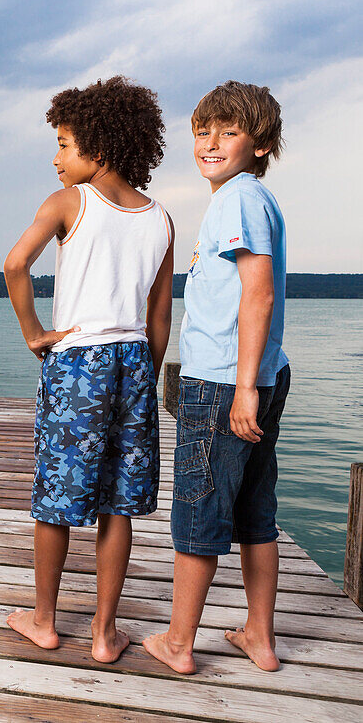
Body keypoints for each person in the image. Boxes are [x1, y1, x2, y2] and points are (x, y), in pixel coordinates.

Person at [3, 76, 174, 664]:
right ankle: (104, 634)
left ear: (97, 149)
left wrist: (34, 335)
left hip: (77, 360)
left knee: (57, 494)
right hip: (133, 362)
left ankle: (45, 621)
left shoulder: (68, 203)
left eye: (64, 145)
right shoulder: (162, 219)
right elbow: (158, 316)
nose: (56, 159)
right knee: (118, 502)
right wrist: (144, 377)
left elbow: (14, 264)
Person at [143, 81, 287, 674]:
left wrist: (243, 387)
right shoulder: (252, 198)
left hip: (225, 383)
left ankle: (179, 644)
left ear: (260, 144)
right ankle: (259, 635)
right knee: (255, 510)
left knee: (199, 509)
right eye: (204, 131)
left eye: (229, 132)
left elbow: (257, 292)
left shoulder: (237, 200)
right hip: (255, 376)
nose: (212, 142)